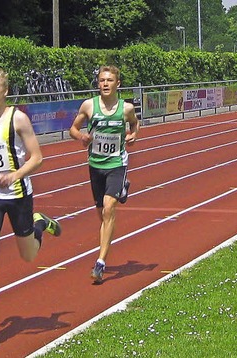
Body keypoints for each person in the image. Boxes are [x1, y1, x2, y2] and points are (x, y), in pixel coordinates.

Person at [0, 68, 62, 339]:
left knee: (28, 255)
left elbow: (37, 157)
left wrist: (15, 175)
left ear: (5, 91)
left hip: (18, 196)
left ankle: (39, 222)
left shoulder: (17, 119)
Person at [69, 65, 139, 283]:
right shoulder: (89, 106)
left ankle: (100, 263)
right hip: (95, 165)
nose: (105, 84)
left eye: (109, 80)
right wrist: (81, 137)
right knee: (102, 215)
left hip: (117, 163)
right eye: (102, 80)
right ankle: (122, 189)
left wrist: (133, 136)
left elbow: (135, 124)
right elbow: (73, 128)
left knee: (109, 209)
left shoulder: (125, 108)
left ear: (118, 84)